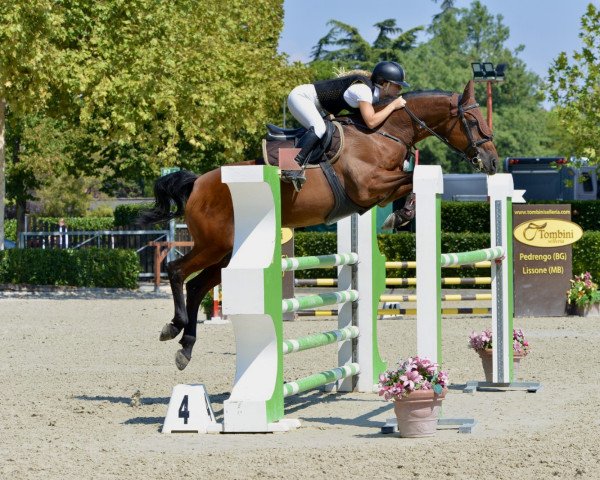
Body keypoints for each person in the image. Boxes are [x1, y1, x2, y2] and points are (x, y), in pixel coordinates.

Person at [282, 61, 409, 190]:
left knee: (324, 130)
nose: (400, 90)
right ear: (385, 84)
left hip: (316, 105)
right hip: (301, 97)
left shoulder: (372, 95)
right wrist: (393, 106)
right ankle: (288, 167)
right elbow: (371, 122)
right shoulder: (363, 90)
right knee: (320, 128)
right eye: (397, 86)